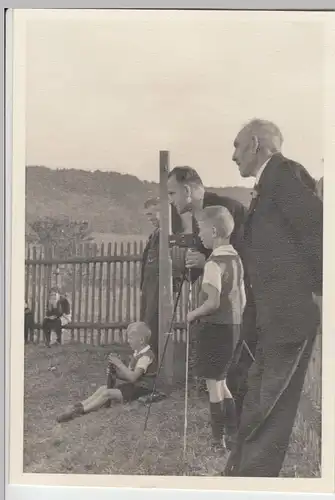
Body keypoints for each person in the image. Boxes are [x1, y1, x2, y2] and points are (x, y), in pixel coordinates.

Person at [223, 118, 322, 477]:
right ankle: (241, 474)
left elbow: (318, 229)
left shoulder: (283, 174)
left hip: (288, 315)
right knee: (256, 401)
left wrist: (316, 291)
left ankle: (250, 480)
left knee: (269, 410)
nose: (233, 156)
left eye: (236, 146)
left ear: (254, 144)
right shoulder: (266, 186)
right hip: (270, 317)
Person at [167, 166, 256, 408]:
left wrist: (206, 262)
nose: (170, 200)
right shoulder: (201, 217)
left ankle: (235, 426)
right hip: (225, 306)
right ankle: (227, 422)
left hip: (243, 302)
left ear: (187, 190)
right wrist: (193, 265)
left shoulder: (224, 210)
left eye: (172, 193)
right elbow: (209, 258)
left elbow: (241, 262)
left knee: (236, 362)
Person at [187, 206, 246, 451]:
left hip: (215, 329)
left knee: (214, 384)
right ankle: (233, 434)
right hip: (233, 327)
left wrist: (193, 313)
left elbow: (211, 303)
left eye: (201, 229)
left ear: (213, 230)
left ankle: (217, 440)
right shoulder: (236, 259)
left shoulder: (213, 264)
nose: (199, 235)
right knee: (222, 382)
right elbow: (241, 300)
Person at [56, 322, 156, 423]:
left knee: (107, 393)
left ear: (141, 340)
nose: (128, 341)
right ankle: (78, 405)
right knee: (103, 388)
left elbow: (133, 378)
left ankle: (80, 411)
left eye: (130, 338)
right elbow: (130, 376)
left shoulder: (145, 356)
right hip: (135, 386)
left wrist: (119, 364)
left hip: (143, 389)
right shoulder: (137, 354)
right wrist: (116, 374)